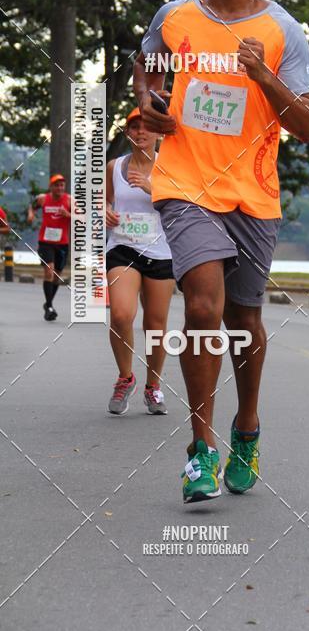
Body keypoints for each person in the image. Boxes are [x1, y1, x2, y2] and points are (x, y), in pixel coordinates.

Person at [133, 0, 309, 503]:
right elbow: (146, 69)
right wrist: (150, 104)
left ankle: (247, 428)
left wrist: (264, 76)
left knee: (244, 319)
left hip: (253, 192)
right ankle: (200, 450)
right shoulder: (176, 17)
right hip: (186, 185)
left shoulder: (283, 31)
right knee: (204, 305)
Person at [106, 107, 175, 416]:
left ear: (159, 132)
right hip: (122, 248)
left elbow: (187, 205)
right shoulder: (114, 166)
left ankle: (153, 386)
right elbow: (103, 202)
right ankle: (125, 377)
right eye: (134, 127)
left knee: (155, 324)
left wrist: (154, 188)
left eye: (147, 127)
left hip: (161, 252)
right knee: (121, 315)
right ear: (128, 132)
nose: (140, 132)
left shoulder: (172, 167)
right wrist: (104, 213)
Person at [27, 174, 71, 321]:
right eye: (56, 185)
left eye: (61, 185)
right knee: (49, 271)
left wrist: (69, 214)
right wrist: (31, 214)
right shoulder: (43, 198)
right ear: (51, 187)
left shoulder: (70, 200)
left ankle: (48, 304)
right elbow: (32, 207)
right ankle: (50, 306)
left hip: (62, 243)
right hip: (45, 242)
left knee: (57, 276)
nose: (59, 188)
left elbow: (83, 218)